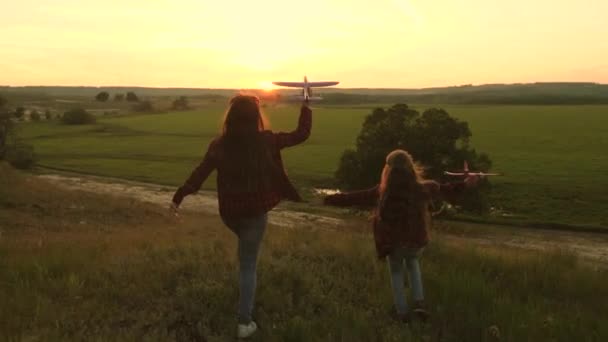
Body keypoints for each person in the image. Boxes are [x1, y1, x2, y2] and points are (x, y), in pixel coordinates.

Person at [170, 95, 312, 338]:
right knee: (249, 265)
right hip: (255, 214)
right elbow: (301, 134)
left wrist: (179, 196)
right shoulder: (267, 141)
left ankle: (244, 267)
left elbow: (200, 173)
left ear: (230, 118)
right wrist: (306, 106)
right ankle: (244, 323)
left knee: (245, 252)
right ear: (256, 117)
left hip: (230, 214)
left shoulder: (218, 145)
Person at [323, 149, 479, 323]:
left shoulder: (383, 192)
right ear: (410, 168)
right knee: (413, 265)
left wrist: (331, 199)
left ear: (388, 170)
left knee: (396, 273)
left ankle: (402, 312)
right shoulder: (424, 188)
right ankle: (419, 303)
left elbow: (356, 197)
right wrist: (466, 183)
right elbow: (447, 190)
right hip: (416, 243)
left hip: (394, 243)